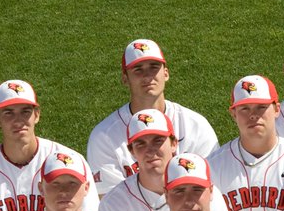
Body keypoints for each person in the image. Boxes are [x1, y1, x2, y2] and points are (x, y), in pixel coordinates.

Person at [0, 79, 99, 211]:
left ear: (37, 115)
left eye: (25, 112)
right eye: (9, 113)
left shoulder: (72, 161)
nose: (18, 120)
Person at [87, 38, 219, 196]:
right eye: (138, 69)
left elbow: (210, 190)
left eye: (154, 67)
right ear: (125, 78)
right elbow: (110, 201)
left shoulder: (195, 125)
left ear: (166, 73)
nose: (147, 76)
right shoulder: (104, 136)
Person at [99, 109, 230, 211]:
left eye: (158, 141)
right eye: (141, 144)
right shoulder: (113, 204)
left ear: (174, 144)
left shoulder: (203, 193)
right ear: (131, 151)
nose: (150, 150)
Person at [209, 74, 284, 211]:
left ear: (277, 110)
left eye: (261, 107)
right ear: (233, 114)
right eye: (245, 108)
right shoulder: (213, 166)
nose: (253, 115)